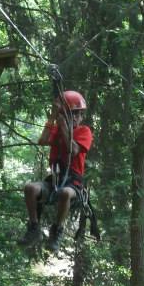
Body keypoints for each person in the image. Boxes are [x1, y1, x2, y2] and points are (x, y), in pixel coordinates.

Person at [18, 90, 93, 252]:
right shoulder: (57, 130)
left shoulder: (84, 132)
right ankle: (34, 228)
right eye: (71, 114)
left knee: (65, 193)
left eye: (78, 114)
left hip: (73, 183)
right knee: (30, 188)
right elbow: (42, 140)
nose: (75, 118)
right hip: (55, 181)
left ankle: (57, 230)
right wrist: (52, 118)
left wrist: (64, 127)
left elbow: (72, 150)